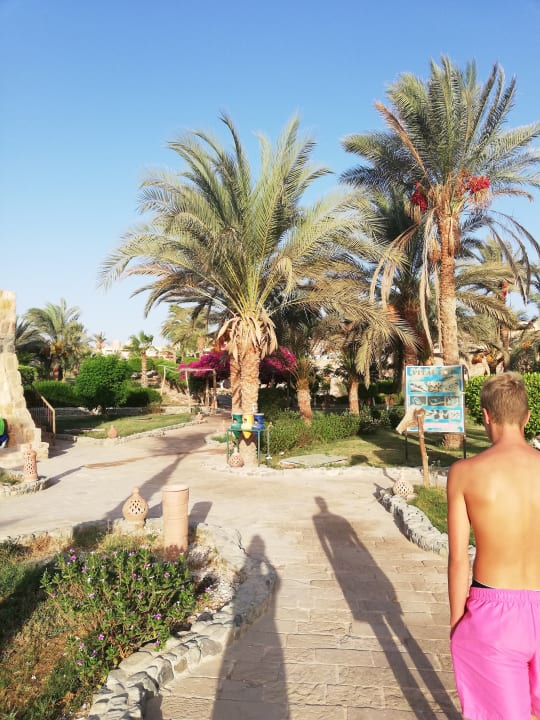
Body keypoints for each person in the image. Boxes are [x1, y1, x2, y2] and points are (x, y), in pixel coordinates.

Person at [447, 372, 540, 720]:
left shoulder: (466, 472)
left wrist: (457, 622)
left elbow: (458, 559)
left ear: (486, 416)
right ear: (527, 417)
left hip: (494, 617)